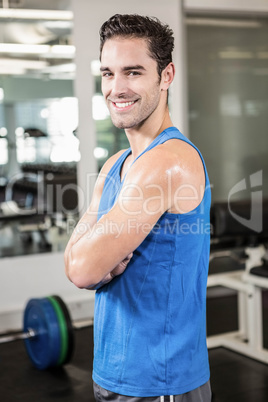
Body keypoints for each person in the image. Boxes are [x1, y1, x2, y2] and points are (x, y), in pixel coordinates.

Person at [65, 13, 212, 402]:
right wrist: (91, 258)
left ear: (166, 76)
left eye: (133, 72)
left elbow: (81, 269)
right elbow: (75, 259)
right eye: (108, 73)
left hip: (160, 381)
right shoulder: (116, 164)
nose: (117, 88)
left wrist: (94, 258)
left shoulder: (167, 162)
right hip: (113, 371)